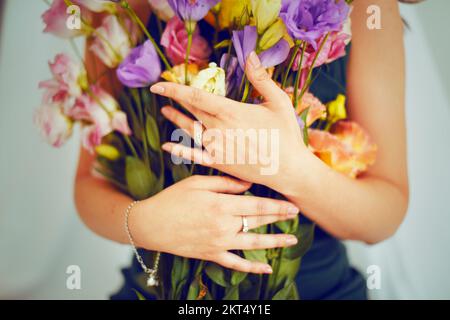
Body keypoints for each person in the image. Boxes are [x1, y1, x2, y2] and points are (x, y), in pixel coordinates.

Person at [75, 0, 411, 299]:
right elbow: (88, 186)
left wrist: (291, 169)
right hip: (158, 289)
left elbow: (384, 213)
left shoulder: (369, 8)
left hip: (314, 289)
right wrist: (148, 224)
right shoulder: (122, 5)